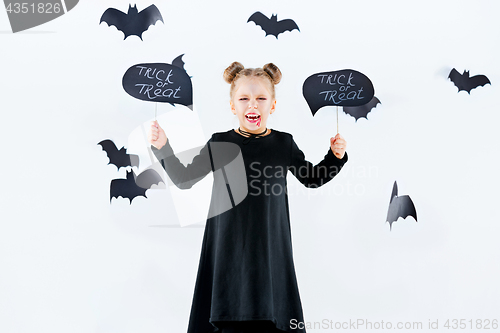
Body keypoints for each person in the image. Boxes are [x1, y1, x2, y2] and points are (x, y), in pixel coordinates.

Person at [148, 62, 347, 333]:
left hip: (269, 248)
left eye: (261, 99)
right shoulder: (220, 142)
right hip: (227, 249)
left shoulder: (283, 144)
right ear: (233, 106)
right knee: (228, 316)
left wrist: (334, 158)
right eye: (244, 99)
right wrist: (164, 148)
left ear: (272, 106)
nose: (252, 105)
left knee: (270, 315)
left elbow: (312, 178)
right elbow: (185, 178)